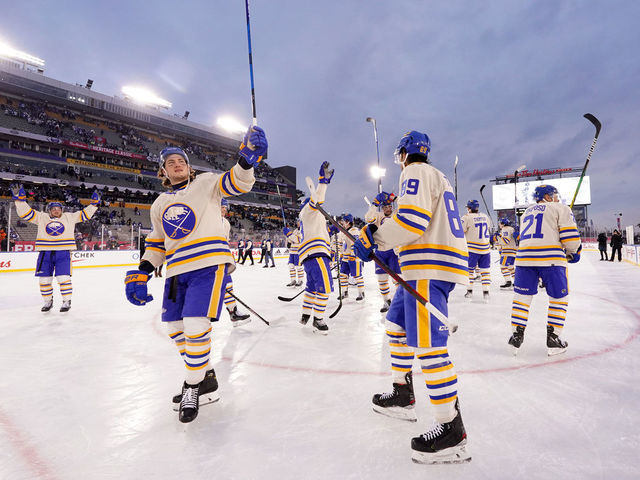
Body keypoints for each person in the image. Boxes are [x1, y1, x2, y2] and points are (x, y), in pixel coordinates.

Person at [124, 126, 267, 423]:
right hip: (176, 271)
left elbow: (235, 184)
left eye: (182, 161)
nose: (178, 165)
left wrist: (246, 161)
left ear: (190, 167)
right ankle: (207, 378)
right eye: (171, 163)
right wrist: (142, 271)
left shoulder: (206, 183)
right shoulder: (159, 204)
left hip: (208, 264)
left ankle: (191, 386)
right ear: (162, 171)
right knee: (176, 329)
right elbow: (157, 244)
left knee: (194, 324)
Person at [353, 131, 471, 464]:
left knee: (430, 346)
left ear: (404, 153)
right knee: (396, 325)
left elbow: (412, 220)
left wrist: (374, 235)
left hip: (428, 267)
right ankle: (403, 393)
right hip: (422, 267)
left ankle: (452, 430)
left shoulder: (415, 171)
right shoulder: (437, 176)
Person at [507, 184, 582, 357]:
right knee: (559, 297)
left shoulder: (526, 212)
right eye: (555, 195)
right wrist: (573, 251)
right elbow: (570, 237)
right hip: (551, 259)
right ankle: (554, 339)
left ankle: (516, 336)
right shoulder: (560, 208)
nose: (558, 197)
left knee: (522, 297)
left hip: (524, 259)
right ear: (547, 196)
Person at [12, 184, 100, 312]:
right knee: (44, 280)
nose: (56, 210)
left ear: (61, 210)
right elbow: (25, 213)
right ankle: (48, 301)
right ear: (49, 210)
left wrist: (94, 205)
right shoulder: (42, 217)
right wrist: (19, 201)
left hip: (63, 253)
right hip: (45, 253)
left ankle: (66, 301)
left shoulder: (69, 217)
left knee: (63, 278)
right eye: (53, 209)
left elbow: (85, 214)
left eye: (58, 208)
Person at [296, 162, 334, 334]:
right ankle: (318, 319)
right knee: (325, 287)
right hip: (317, 254)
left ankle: (305, 314)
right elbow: (317, 199)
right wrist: (323, 182)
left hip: (310, 256)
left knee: (312, 287)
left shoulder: (310, 216)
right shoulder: (309, 211)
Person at [364, 191, 400, 312]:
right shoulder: (379, 216)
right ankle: (386, 301)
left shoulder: (396, 214)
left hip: (394, 251)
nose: (388, 209)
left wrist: (395, 198)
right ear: (382, 208)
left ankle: (399, 301)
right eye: (385, 207)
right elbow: (368, 218)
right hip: (380, 251)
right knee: (381, 279)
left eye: (390, 206)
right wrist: (374, 203)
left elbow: (406, 206)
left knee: (397, 279)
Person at [220, 198, 251, 326]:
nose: (224, 210)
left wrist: (227, 257)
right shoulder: (207, 220)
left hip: (221, 258)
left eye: (225, 208)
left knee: (228, 285)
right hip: (207, 259)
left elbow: (225, 242)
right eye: (222, 207)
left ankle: (233, 313)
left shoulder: (226, 223)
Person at [461, 199, 492, 302]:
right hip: (485, 249)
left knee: (469, 270)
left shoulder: (466, 217)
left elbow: (461, 231)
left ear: (469, 208)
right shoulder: (485, 216)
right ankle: (486, 293)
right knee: (485, 271)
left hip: (472, 249)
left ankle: (469, 291)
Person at [337, 213, 365, 301]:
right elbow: (341, 244)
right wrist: (341, 253)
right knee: (342, 275)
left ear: (348, 222)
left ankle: (361, 293)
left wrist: (353, 255)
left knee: (357, 276)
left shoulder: (354, 231)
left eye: (343, 220)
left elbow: (355, 244)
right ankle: (344, 292)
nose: (341, 222)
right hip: (345, 258)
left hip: (354, 258)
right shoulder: (343, 232)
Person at [495, 218, 517, 289]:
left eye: (500, 223)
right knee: (511, 267)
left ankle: (508, 282)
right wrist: (500, 236)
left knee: (503, 266)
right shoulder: (510, 229)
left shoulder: (505, 229)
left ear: (503, 224)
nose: (499, 225)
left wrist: (498, 237)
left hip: (508, 251)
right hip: (512, 251)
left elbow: (505, 241)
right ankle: (517, 282)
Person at [284, 222, 304, 286]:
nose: (297, 223)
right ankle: (293, 280)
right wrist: (287, 236)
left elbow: (298, 240)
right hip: (292, 251)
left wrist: (289, 234)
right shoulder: (295, 230)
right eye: (297, 221)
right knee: (291, 266)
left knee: (298, 267)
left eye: (299, 221)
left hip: (298, 252)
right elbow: (291, 239)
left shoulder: (303, 230)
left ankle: (300, 280)